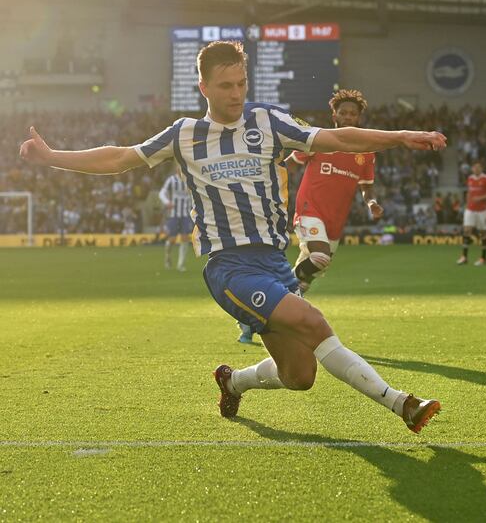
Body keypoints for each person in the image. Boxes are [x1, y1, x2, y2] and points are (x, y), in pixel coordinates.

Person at [19, 40, 445, 434]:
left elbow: (337, 138)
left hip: (275, 264)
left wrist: (401, 136)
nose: (236, 93)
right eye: (225, 85)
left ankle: (233, 380)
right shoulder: (184, 134)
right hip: (231, 267)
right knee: (314, 323)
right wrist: (52, 156)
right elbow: (118, 158)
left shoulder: (268, 122)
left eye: (242, 82)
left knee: (300, 376)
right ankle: (401, 404)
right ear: (203, 86)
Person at [285, 88, 382, 293]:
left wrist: (371, 202)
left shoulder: (366, 152)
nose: (348, 117)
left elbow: (367, 187)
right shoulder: (318, 139)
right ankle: (281, 285)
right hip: (308, 210)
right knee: (319, 258)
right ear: (334, 115)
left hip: (335, 221)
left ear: (358, 118)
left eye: (352, 114)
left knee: (308, 279)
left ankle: (278, 308)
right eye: (343, 112)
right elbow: (289, 165)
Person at [457, 161, 486, 266]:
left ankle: (483, 258)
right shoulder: (470, 178)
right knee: (466, 230)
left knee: (483, 233)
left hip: (482, 210)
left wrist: (481, 198)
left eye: (478, 167)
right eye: (474, 167)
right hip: (470, 209)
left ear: (481, 168)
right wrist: (466, 203)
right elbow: (469, 192)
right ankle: (464, 257)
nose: (476, 169)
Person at [158, 162, 193, 271]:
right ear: (176, 169)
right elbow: (162, 192)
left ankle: (180, 265)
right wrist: (167, 202)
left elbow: (193, 194)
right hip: (174, 214)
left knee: (185, 238)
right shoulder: (172, 180)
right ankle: (167, 257)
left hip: (186, 214)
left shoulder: (190, 180)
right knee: (172, 239)